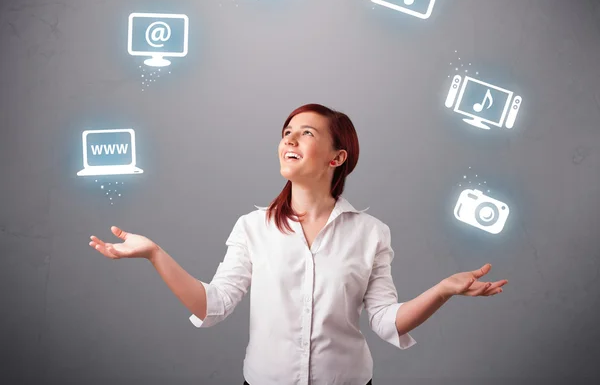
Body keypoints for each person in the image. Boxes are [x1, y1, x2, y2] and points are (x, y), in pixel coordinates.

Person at [89, 103, 508, 385]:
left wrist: (443, 291)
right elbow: (211, 306)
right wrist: (153, 254)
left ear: (336, 157)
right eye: (287, 132)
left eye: (305, 133)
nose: (289, 140)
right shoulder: (252, 227)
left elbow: (386, 321)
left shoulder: (371, 232)